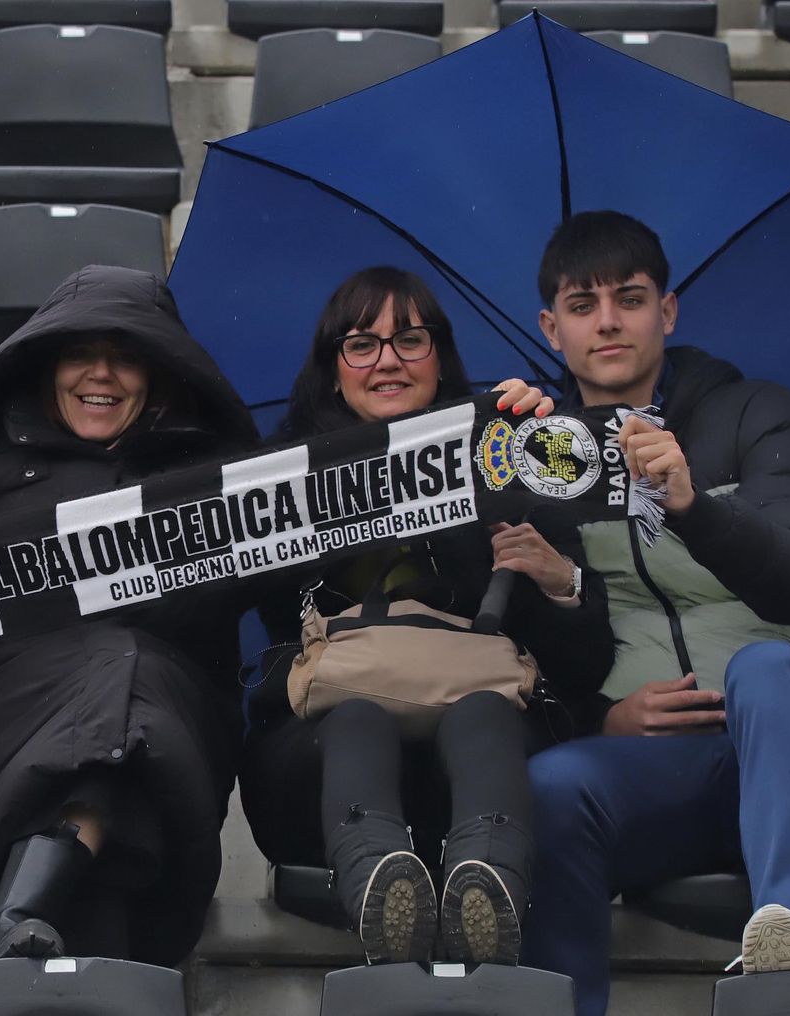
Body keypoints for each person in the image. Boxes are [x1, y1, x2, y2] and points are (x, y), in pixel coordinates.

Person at [514, 211, 790, 1015]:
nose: (609, 321)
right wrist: (600, 717)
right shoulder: (539, 454)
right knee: (551, 785)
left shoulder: (760, 414)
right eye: (583, 305)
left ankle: (784, 965)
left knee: (764, 668)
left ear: (669, 312)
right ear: (552, 328)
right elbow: (527, 645)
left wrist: (689, 503)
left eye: (631, 297)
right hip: (681, 774)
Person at [0, 265, 259, 981]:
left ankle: (17, 931)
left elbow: (339, 516)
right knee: (119, 706)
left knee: (125, 693)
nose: (102, 374)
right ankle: (24, 932)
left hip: (161, 753)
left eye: (126, 355)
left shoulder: (222, 501)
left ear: (159, 376)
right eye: (79, 353)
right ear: (42, 366)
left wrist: (497, 442)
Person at [239, 266, 614, 967]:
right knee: (357, 717)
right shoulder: (281, 472)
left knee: (484, 713)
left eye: (410, 339)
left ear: (441, 356)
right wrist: (389, 480)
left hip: (480, 752)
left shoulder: (502, 450)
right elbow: (242, 594)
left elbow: (586, 665)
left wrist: (558, 573)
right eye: (361, 344)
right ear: (332, 369)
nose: (386, 360)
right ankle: (383, 900)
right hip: (317, 758)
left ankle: (490, 896)